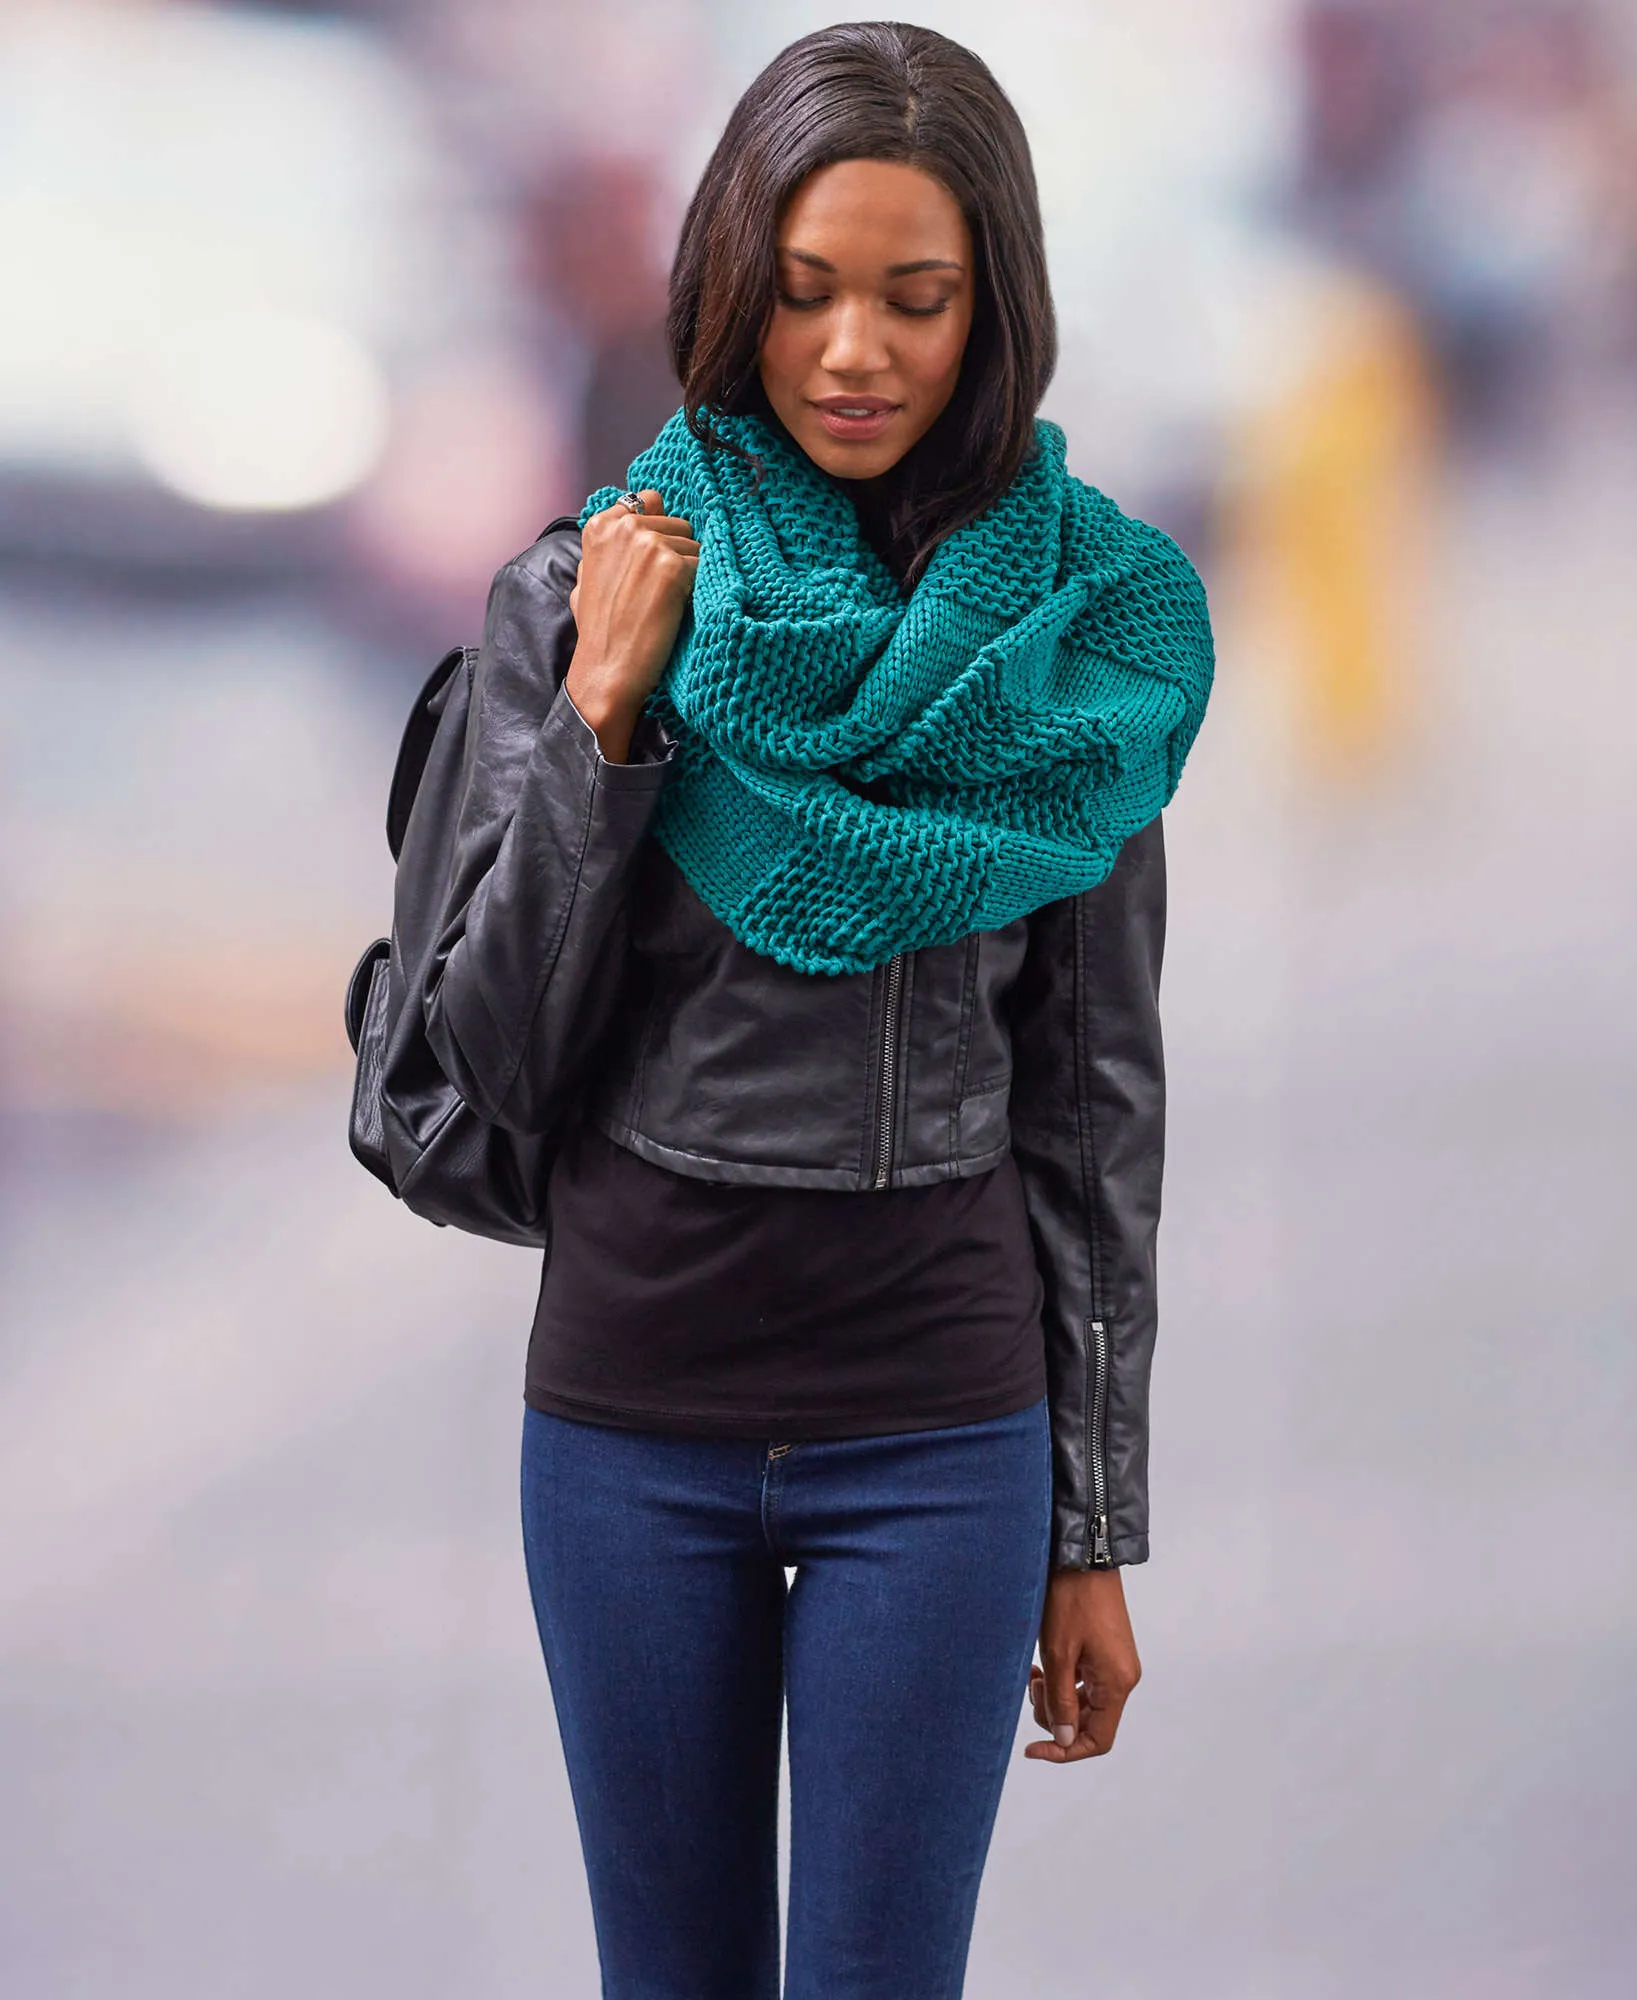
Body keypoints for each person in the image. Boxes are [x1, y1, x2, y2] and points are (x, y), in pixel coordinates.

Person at [423, 22, 1214, 1997]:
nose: (854, 348)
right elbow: (484, 1067)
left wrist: (1092, 1519)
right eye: (802, 295)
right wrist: (606, 725)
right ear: (725, 295)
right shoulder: (593, 592)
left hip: (937, 1434)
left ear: (993, 308)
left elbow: (1094, 1107)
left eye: (913, 297)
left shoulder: (1075, 647)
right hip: (631, 1430)